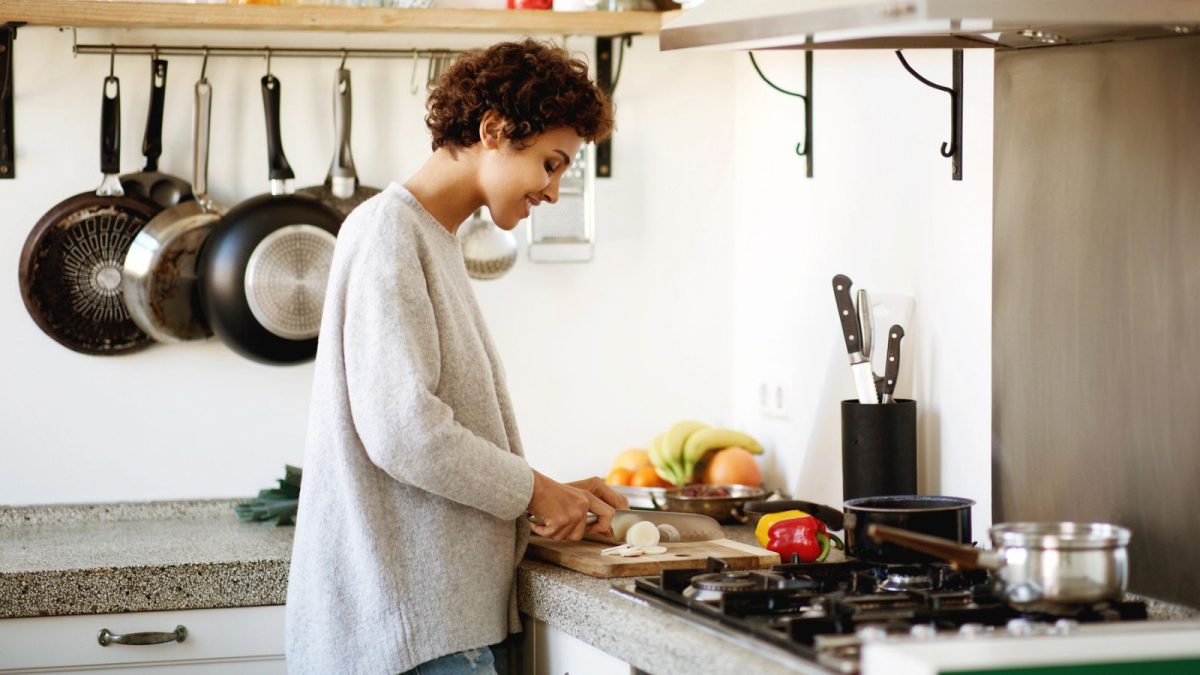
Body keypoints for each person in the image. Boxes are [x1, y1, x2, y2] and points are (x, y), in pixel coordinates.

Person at [285, 39, 627, 675]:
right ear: (495, 130)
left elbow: (431, 428)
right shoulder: (390, 230)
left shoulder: (429, 237)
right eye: (551, 163)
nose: (552, 191)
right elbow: (405, 430)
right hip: (413, 635)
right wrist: (532, 490)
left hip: (430, 624)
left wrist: (548, 495)